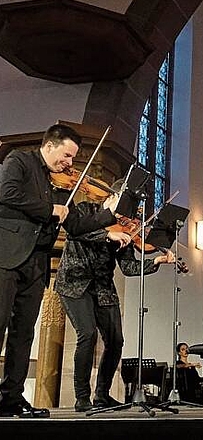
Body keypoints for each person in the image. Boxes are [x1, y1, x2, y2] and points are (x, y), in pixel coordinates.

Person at [0, 124, 120, 418]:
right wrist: (49, 209)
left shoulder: (57, 182)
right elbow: (6, 192)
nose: (69, 163)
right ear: (50, 145)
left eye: (73, 158)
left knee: (23, 333)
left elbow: (76, 225)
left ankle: (11, 398)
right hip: (8, 255)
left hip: (36, 264)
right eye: (67, 155)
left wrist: (109, 214)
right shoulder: (19, 160)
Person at [53, 180, 176, 412]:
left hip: (102, 287)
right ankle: (82, 397)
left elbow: (129, 268)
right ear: (113, 196)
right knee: (87, 334)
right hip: (74, 284)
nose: (129, 212)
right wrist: (107, 236)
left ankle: (102, 394)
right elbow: (78, 232)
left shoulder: (126, 228)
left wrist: (156, 261)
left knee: (116, 341)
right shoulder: (85, 211)